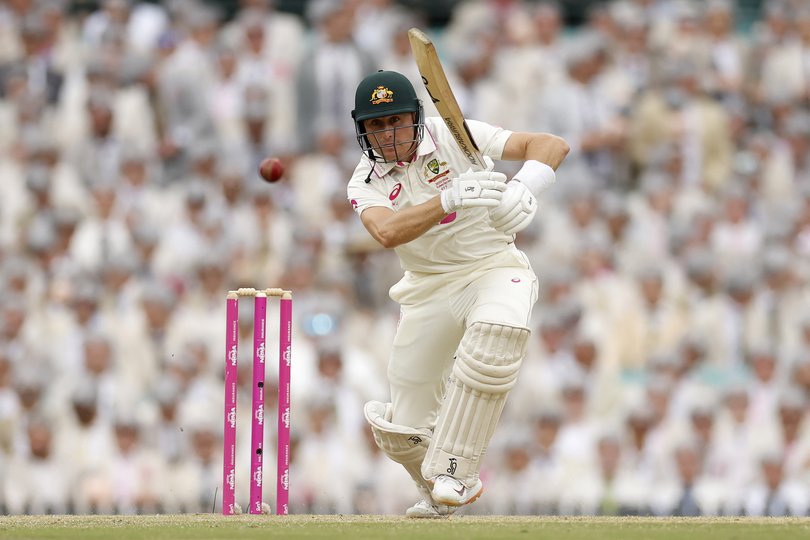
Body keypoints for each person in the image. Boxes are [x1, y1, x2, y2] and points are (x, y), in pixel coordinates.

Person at [347, 70, 568, 517]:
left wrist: (525, 188)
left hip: (493, 268)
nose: (387, 135)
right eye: (376, 126)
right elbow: (386, 231)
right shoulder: (364, 181)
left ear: (415, 117)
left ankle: (456, 471)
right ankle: (434, 492)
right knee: (401, 429)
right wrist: (448, 198)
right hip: (427, 290)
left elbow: (551, 145)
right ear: (363, 131)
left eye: (395, 121)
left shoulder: (455, 133)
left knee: (497, 334)